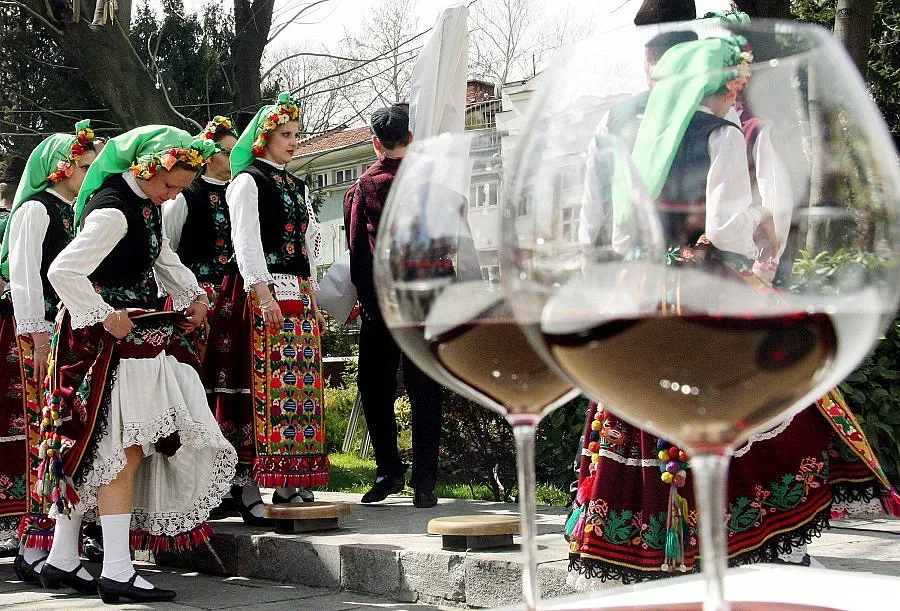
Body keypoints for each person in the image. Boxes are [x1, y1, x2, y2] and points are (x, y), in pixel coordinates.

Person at [565, 35, 898, 590]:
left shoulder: (614, 125)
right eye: (728, 87)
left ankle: (653, 546)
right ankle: (747, 540)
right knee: (755, 397)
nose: (731, 97)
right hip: (702, 287)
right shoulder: (718, 133)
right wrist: (758, 220)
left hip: (638, 292)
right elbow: (724, 229)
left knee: (638, 412)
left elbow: (592, 224)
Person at [40, 125, 237, 603]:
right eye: (169, 184)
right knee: (121, 449)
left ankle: (63, 557)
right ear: (146, 168)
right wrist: (104, 314)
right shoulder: (113, 210)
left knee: (100, 448)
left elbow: (161, 256)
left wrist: (193, 295)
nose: (173, 195)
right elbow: (63, 270)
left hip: (128, 340)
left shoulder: (143, 204)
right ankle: (116, 569)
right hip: (105, 343)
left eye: (180, 188)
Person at [218, 92, 327, 525]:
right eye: (286, 135)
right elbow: (245, 240)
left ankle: (289, 479)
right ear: (264, 138)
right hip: (260, 291)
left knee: (298, 392)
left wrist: (314, 299)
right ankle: (246, 482)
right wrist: (262, 295)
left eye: (297, 134)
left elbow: (307, 249)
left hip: (297, 292)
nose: (294, 141)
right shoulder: (247, 181)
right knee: (258, 388)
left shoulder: (297, 186)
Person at [0, 122, 97, 575]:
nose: (90, 172)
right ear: (59, 168)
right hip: (32, 337)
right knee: (36, 432)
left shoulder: (76, 210)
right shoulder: (35, 210)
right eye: (84, 165)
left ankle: (56, 540)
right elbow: (23, 276)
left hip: (64, 331)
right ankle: (32, 546)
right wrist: (36, 334)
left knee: (57, 430)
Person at [343, 105, 444, 509]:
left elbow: (358, 252)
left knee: (374, 385)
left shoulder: (365, 186)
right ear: (411, 138)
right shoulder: (433, 183)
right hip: (427, 299)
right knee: (427, 388)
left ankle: (388, 470)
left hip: (385, 302)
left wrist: (368, 304)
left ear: (375, 143)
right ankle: (425, 482)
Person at [162, 116, 239, 362]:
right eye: (226, 153)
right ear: (208, 157)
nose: (233, 159)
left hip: (233, 298)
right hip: (193, 298)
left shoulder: (240, 193)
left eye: (236, 153)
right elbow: (167, 247)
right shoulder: (184, 196)